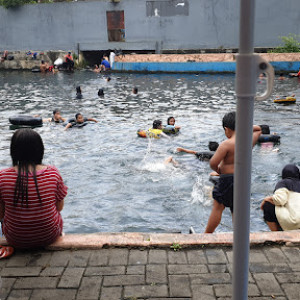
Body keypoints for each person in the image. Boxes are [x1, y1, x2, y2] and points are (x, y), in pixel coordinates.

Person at [0, 129, 68, 249]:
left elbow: (1, 213)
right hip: (49, 236)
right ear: (40, 150)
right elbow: (59, 207)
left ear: (13, 151)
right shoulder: (52, 173)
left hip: (15, 238)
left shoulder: (3, 176)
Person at [204, 111, 262, 233]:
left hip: (227, 179)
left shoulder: (226, 144)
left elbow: (213, 162)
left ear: (226, 129)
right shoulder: (248, 141)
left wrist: (218, 170)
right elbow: (258, 129)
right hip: (243, 180)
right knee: (237, 209)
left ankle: (207, 235)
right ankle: (239, 236)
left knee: (218, 207)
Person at [261, 164, 300, 231]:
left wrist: (265, 200)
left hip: (293, 223)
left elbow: (280, 200)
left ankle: (276, 235)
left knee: (268, 205)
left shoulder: (283, 183)